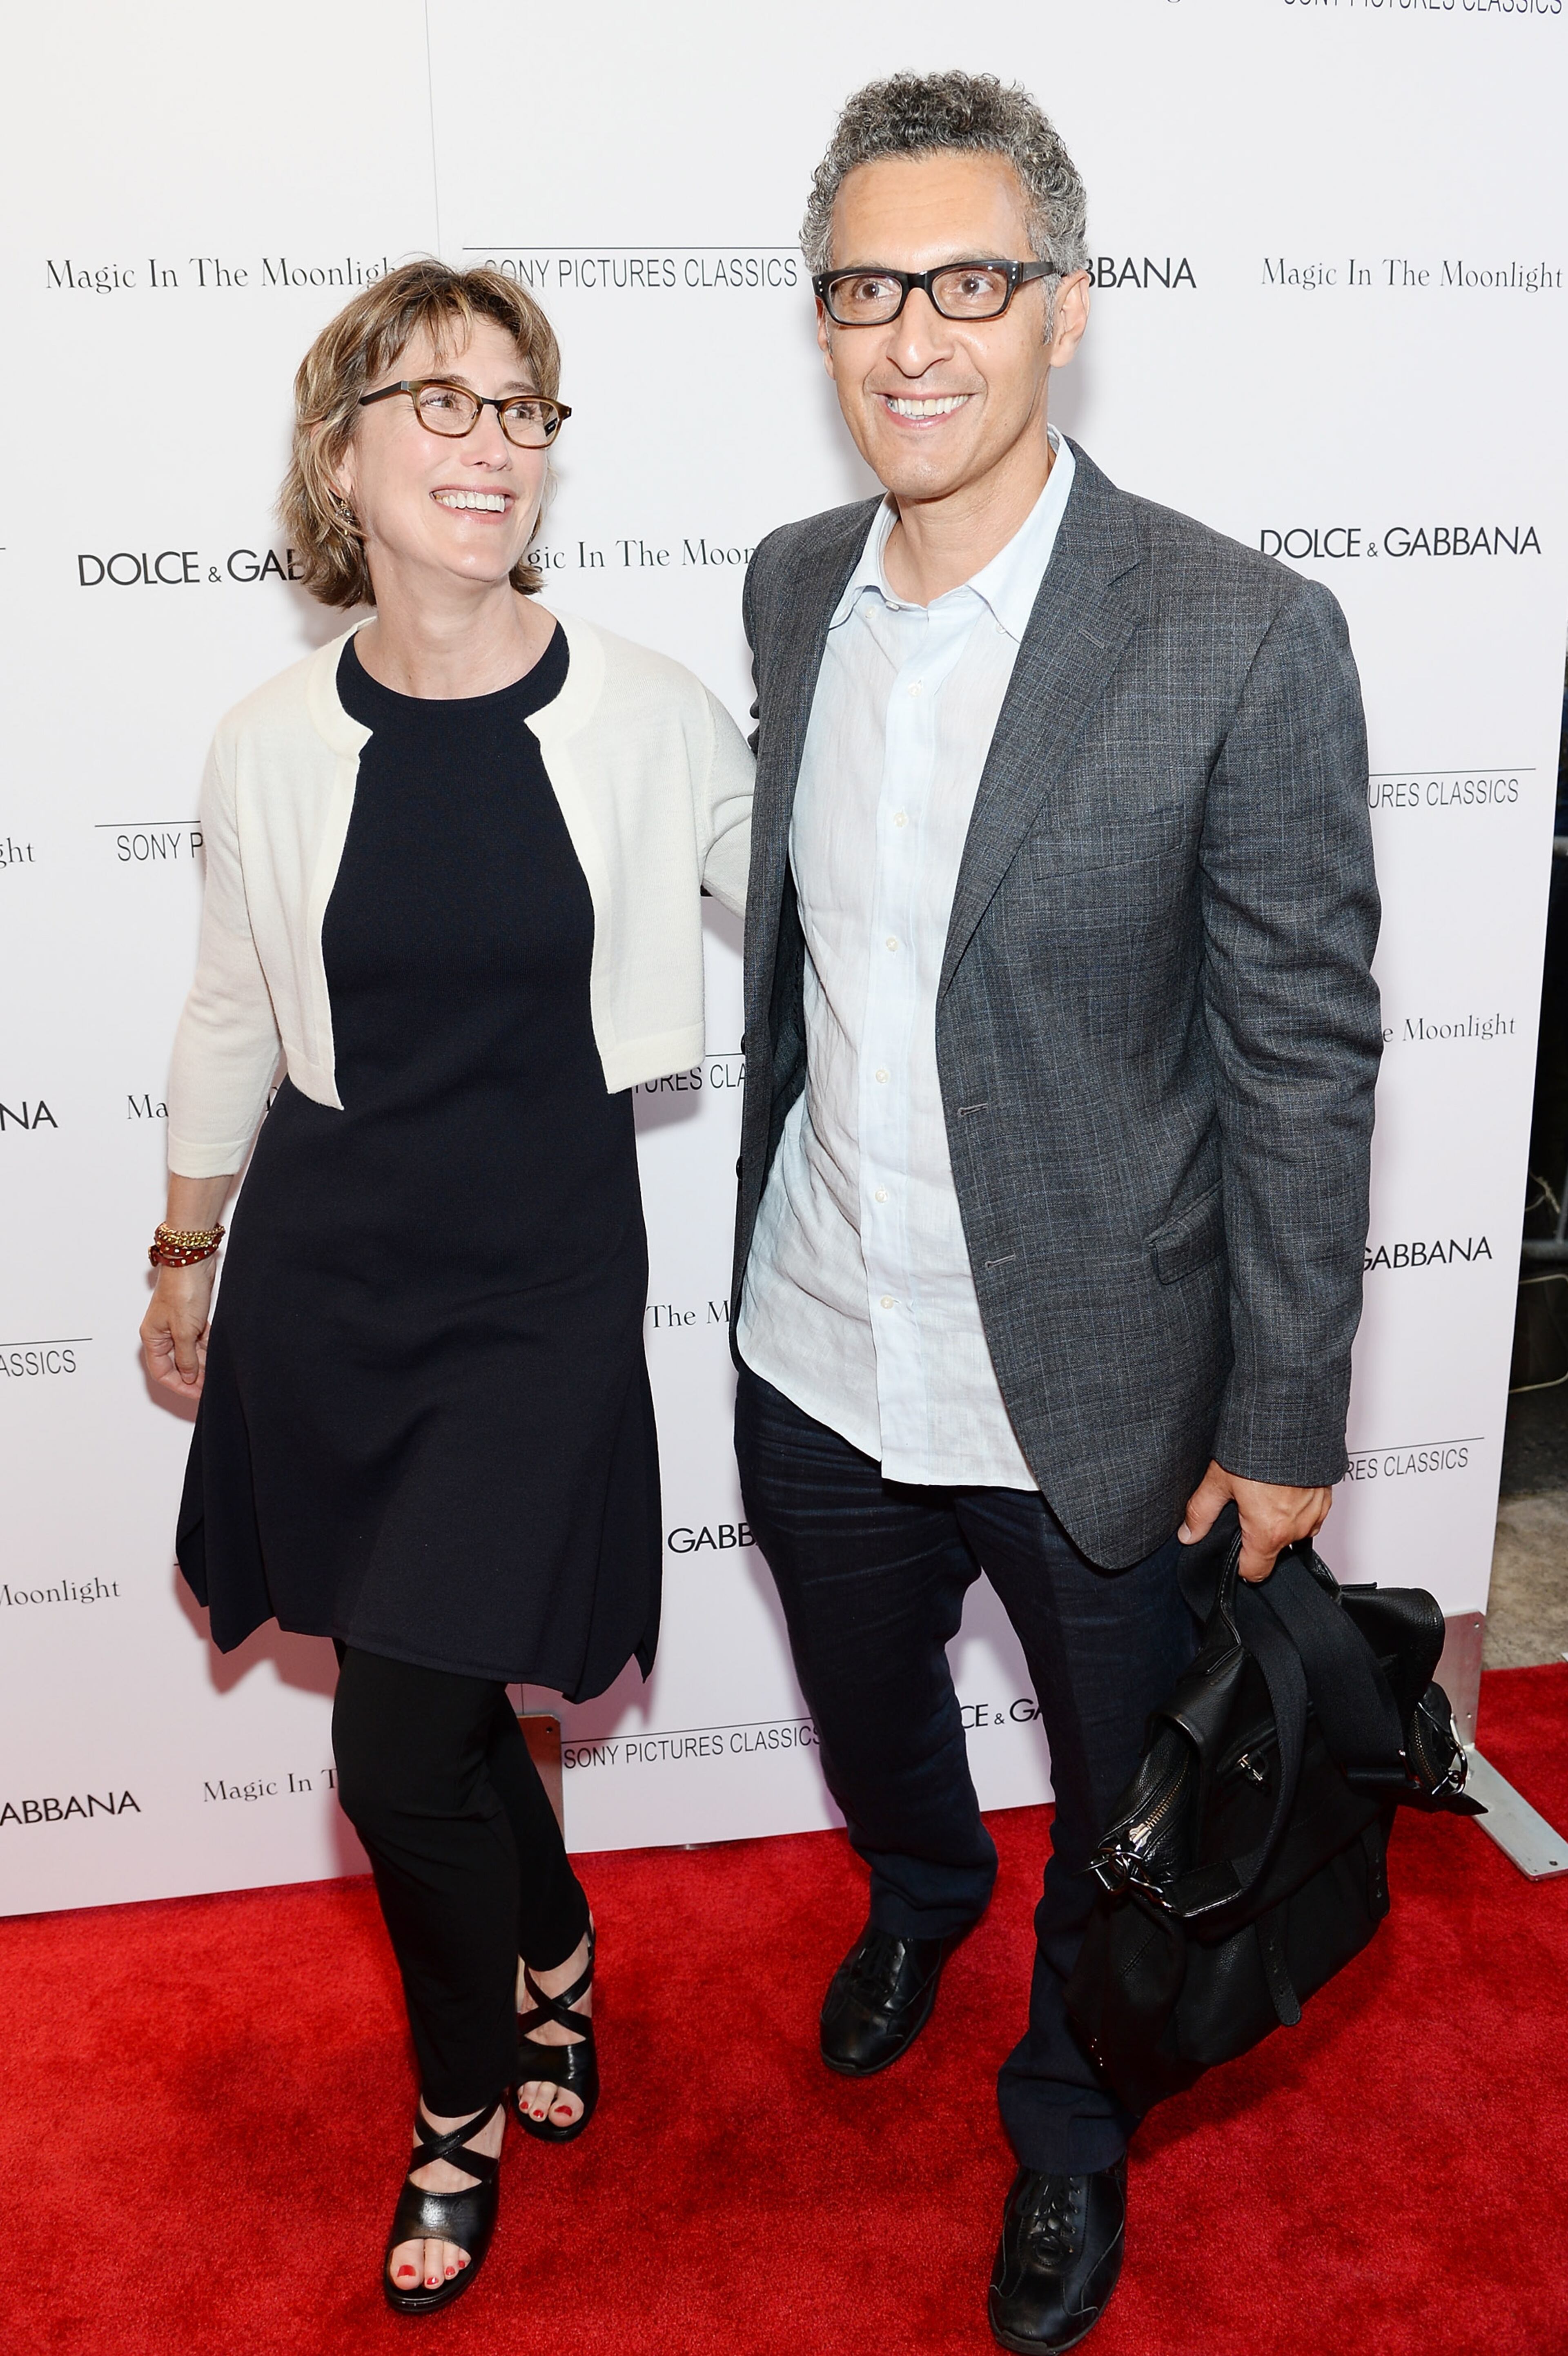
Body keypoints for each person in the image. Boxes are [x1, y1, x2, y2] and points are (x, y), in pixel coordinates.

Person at [730, 73, 1379, 2354]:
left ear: (1066, 309)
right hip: (814, 1337)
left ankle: (1069, 2131)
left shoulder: (1238, 633)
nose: (916, 334)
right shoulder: (792, 582)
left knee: (1126, 1817)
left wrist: (1287, 1410)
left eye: (972, 281)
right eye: (867, 287)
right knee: (867, 1699)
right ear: (824, 321)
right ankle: (916, 1886)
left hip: (1095, 1390)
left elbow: (1302, 1049)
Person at [140, 261, 751, 2315]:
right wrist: (184, 1244)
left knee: (396, 1747)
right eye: (446, 404)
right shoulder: (267, 738)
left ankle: (458, 2108)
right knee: (430, 1676)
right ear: (345, 453)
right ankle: (558, 1953)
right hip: (333, 1269)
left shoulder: (652, 709)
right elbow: (233, 1001)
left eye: (525, 410)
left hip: (541, 1282)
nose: (495, 441)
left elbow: (838, 910)